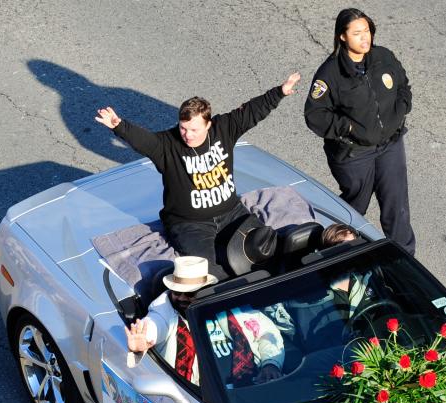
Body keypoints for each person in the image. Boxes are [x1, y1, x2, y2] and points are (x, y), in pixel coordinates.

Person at [95, 72, 302, 278]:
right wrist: (119, 126)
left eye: (194, 129)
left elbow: (251, 112)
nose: (187, 135)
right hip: (189, 224)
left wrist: (280, 92)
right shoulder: (168, 144)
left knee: (263, 251)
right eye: (183, 128)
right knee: (209, 273)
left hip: (232, 212)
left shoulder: (224, 128)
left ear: (208, 125)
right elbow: (145, 141)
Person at [304, 8, 416, 255]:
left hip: (390, 144)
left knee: (396, 206)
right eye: (357, 33)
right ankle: (332, 252)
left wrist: (401, 108)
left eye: (366, 31)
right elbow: (315, 115)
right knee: (355, 207)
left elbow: (403, 85)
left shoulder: (383, 57)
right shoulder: (330, 74)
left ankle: (404, 260)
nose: (364, 38)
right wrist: (349, 128)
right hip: (354, 154)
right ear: (342, 37)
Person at [125, 256, 284, 387]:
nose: (181, 298)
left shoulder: (227, 306)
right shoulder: (164, 312)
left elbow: (266, 332)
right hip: (203, 402)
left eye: (189, 293)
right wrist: (143, 342)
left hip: (251, 387)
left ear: (205, 290)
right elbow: (154, 324)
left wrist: (270, 363)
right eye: (176, 292)